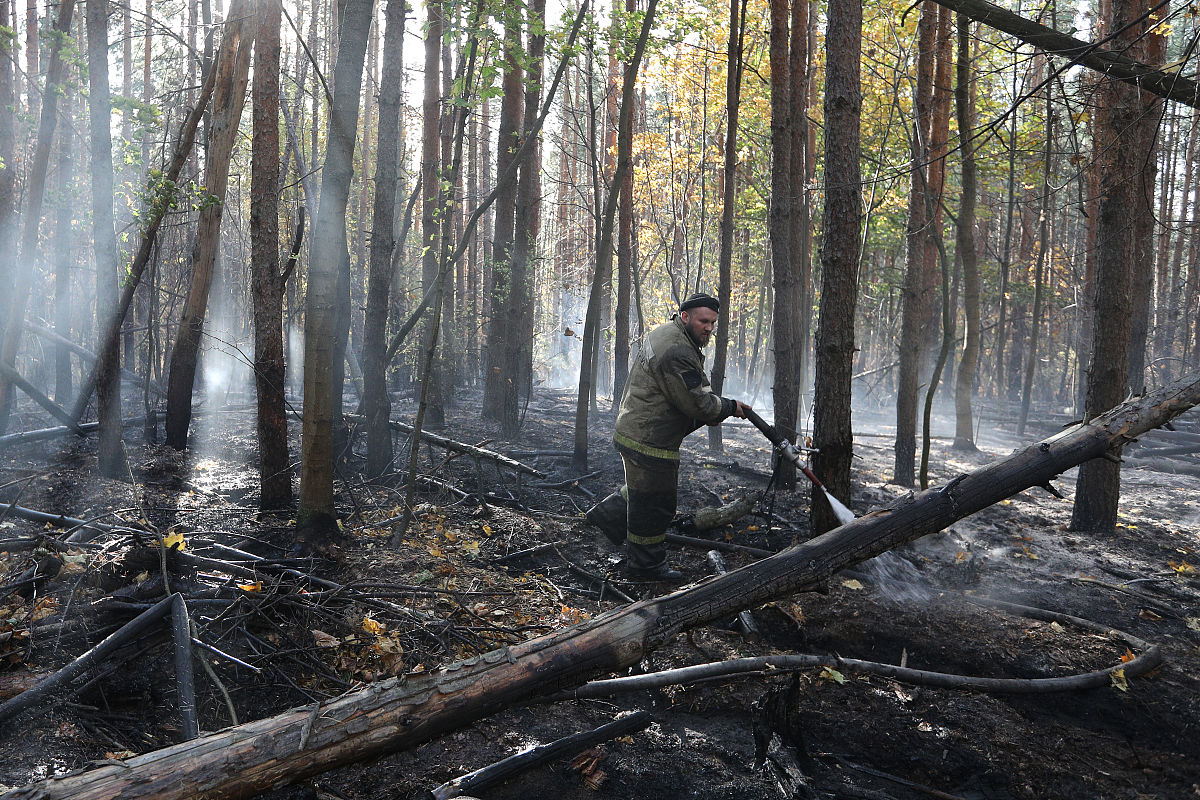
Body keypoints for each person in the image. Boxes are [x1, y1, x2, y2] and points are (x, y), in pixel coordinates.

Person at [585, 292, 751, 581]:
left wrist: (722, 405)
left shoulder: (667, 333)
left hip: (636, 428)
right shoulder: (678, 351)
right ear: (685, 317)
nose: (709, 328)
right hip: (650, 439)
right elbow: (699, 404)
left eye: (712, 322)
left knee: (640, 490)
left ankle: (604, 519)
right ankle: (646, 567)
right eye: (703, 321)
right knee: (655, 503)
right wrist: (728, 406)